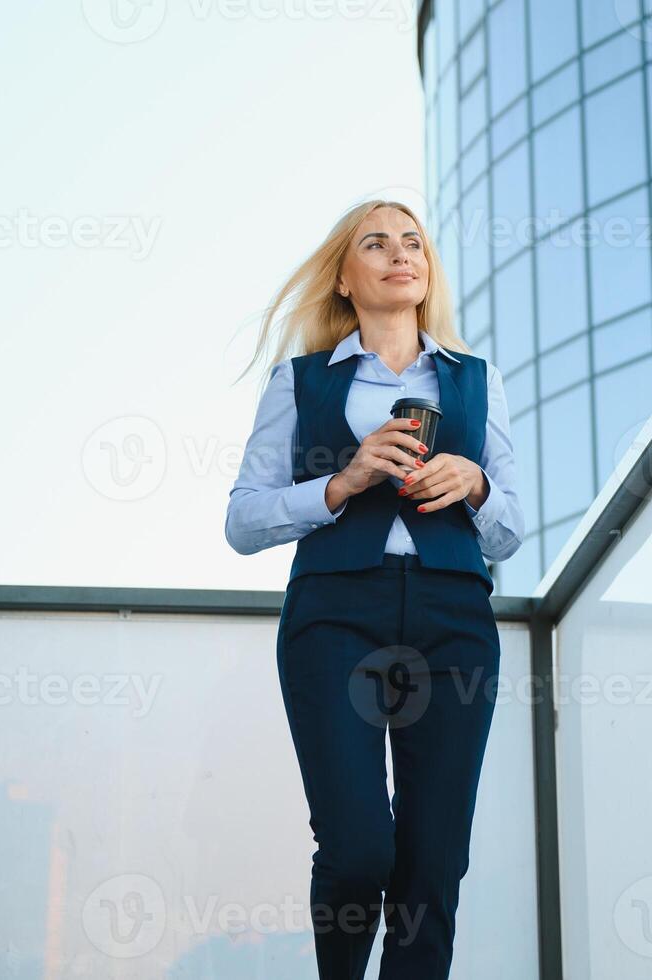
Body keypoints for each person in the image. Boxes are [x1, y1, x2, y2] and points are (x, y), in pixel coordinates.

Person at [225, 199, 525, 979]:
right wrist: (342, 481)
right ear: (345, 279)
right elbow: (243, 521)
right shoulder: (299, 384)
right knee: (358, 849)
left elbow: (511, 529)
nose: (401, 254)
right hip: (335, 616)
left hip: (452, 617)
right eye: (376, 243)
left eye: (413, 243)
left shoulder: (477, 383)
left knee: (434, 863)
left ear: (427, 272)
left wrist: (478, 484)